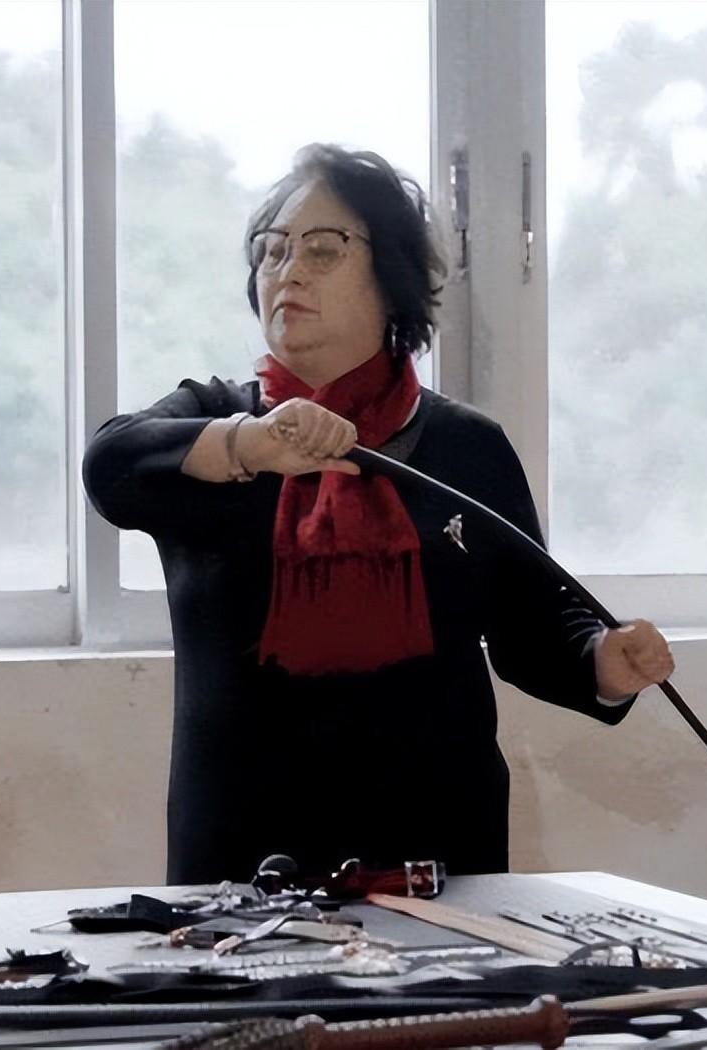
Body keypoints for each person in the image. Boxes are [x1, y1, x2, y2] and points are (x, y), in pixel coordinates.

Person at [83, 144, 674, 884]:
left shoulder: (465, 444)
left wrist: (605, 662)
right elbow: (109, 465)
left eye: (323, 249)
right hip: (243, 864)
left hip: (437, 856)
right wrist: (253, 444)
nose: (288, 271)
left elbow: (535, 626)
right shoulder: (216, 424)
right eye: (272, 250)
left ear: (391, 278)